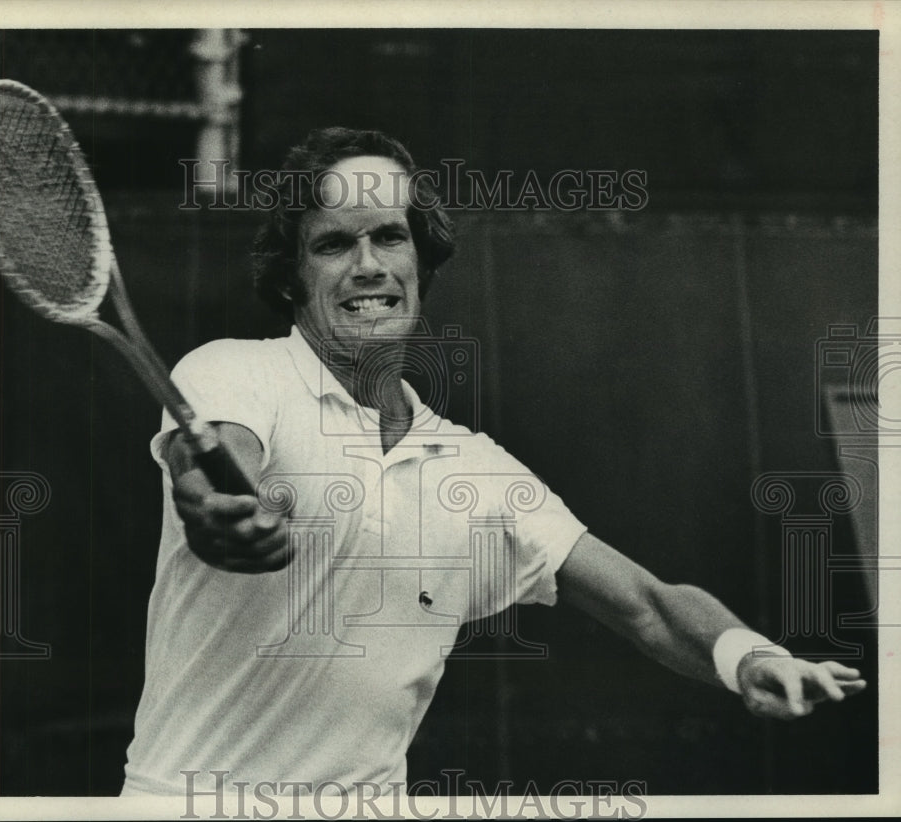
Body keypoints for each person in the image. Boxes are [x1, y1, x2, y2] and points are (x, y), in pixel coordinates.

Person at [121, 127, 866, 797]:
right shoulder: (232, 372)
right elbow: (208, 464)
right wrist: (222, 510)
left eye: (389, 237)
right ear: (291, 275)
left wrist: (749, 658)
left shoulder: (477, 477)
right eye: (333, 244)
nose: (367, 266)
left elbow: (646, 603)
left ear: (422, 262)